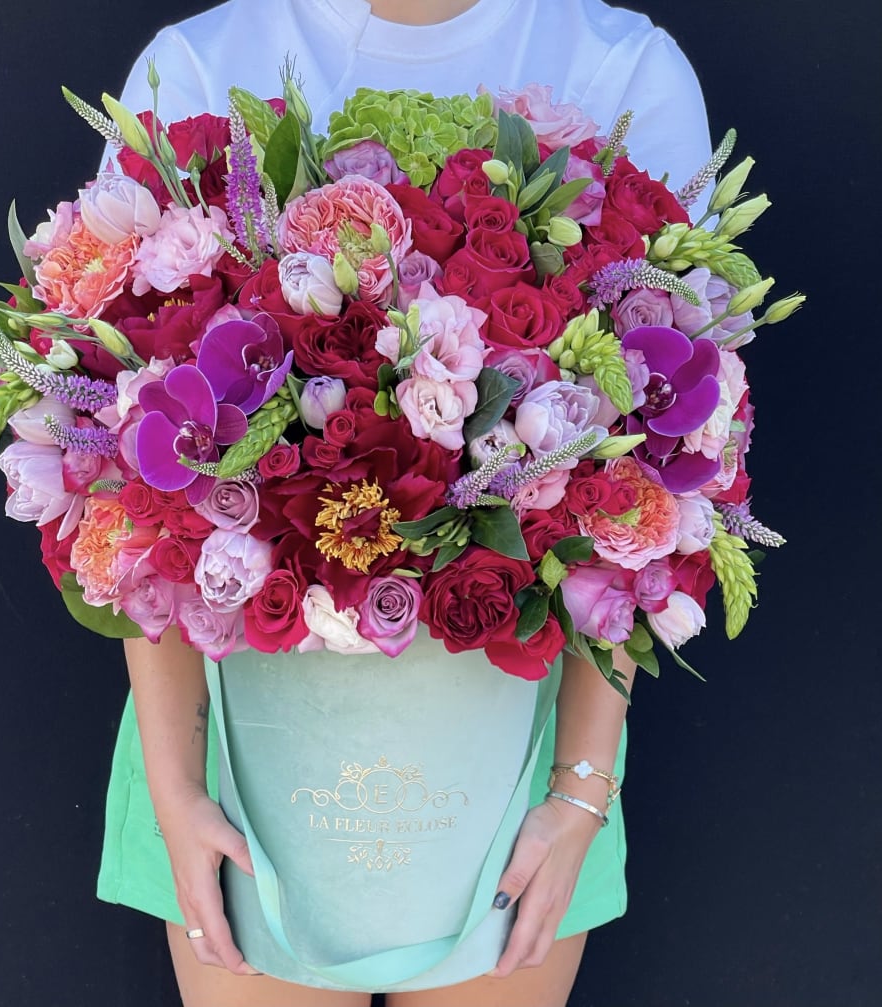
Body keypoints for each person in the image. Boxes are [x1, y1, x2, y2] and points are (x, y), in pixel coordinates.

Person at [98, 2, 711, 1004]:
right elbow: (132, 475)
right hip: (228, 744)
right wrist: (173, 785)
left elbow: (665, 467)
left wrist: (579, 787)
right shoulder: (202, 65)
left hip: (528, 752)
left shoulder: (618, 70)